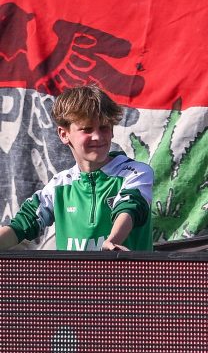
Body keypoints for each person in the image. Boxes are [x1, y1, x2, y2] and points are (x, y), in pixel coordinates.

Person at [0, 85, 152, 252]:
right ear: (64, 134)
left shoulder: (136, 172)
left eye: (104, 127)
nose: (98, 136)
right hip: (72, 279)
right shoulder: (59, 186)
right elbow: (21, 226)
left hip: (125, 278)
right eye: (87, 129)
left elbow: (129, 207)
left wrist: (112, 242)